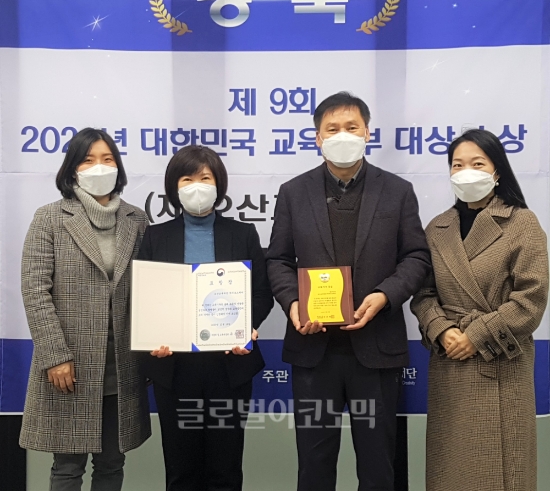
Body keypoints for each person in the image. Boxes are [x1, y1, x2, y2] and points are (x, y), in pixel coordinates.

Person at [266, 91, 431, 491]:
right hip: (313, 351)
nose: (342, 135)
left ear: (367, 133)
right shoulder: (293, 192)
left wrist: (385, 295)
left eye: (351, 127)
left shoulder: (397, 191)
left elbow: (416, 256)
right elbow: (278, 260)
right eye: (332, 128)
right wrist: (293, 303)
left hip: (376, 348)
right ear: (317, 137)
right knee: (314, 466)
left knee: (378, 467)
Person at [410, 129, 549, 491]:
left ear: (496, 171)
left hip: (500, 362)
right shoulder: (437, 228)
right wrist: (442, 329)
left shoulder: (522, 223)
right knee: (451, 470)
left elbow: (531, 298)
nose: (466, 172)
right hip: (450, 362)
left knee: (500, 474)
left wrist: (476, 335)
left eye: (477, 164)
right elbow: (422, 293)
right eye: (457, 165)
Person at [19, 128, 151, 490]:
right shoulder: (49, 218)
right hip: (69, 365)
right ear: (72, 168)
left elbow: (150, 290)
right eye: (88, 160)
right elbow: (35, 291)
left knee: (111, 464)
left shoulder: (137, 220)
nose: (99, 167)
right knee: (67, 467)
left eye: (107, 159)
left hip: (121, 364)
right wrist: (55, 356)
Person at [138, 145, 273, 491]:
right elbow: (145, 298)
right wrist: (153, 335)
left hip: (229, 366)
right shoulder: (155, 236)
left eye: (205, 178)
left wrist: (246, 328)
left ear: (218, 185)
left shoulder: (243, 234)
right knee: (181, 470)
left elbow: (261, 293)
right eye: (187, 179)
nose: (196, 186)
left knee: (225, 470)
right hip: (174, 367)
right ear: (174, 187)